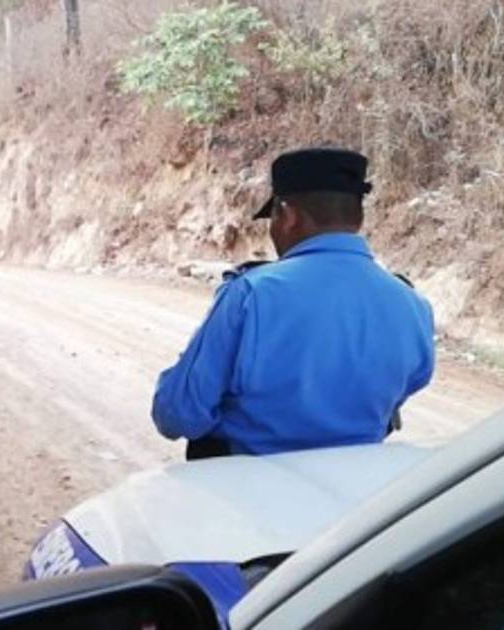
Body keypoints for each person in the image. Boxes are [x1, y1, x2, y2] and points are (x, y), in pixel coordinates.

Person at [151, 148, 436, 459]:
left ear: (287, 215)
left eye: (272, 217)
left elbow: (179, 414)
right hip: (358, 484)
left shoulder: (251, 294)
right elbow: (406, 390)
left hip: (247, 483)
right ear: (357, 217)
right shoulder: (412, 305)